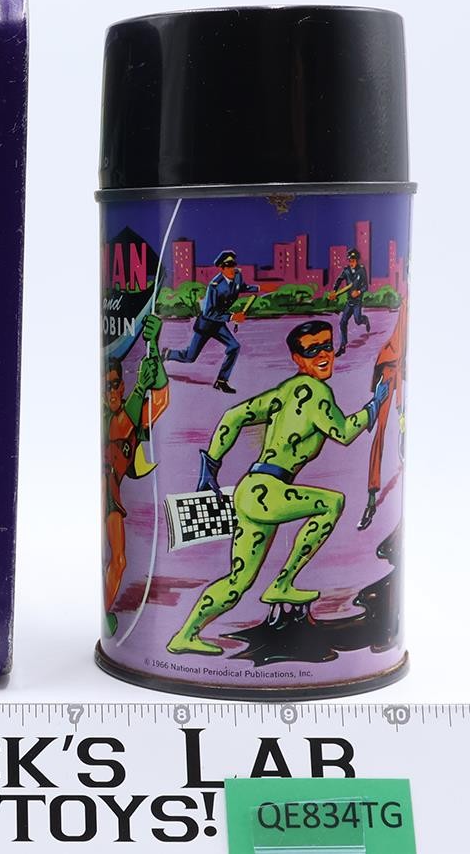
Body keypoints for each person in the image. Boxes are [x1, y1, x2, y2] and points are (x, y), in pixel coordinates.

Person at [166, 320, 389, 656]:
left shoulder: (285, 391)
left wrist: (210, 465)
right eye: (312, 350)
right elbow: (343, 432)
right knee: (331, 503)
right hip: (269, 491)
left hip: (252, 491)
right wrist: (373, 407)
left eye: (327, 346)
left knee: (238, 583)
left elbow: (233, 416)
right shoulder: (314, 391)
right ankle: (283, 582)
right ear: (297, 358)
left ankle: (184, 635)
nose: (323, 355)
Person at [102, 314, 170, 636]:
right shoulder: (110, 418)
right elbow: (120, 427)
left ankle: (109, 612)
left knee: (119, 561)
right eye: (107, 386)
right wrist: (141, 385)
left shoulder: (128, 415)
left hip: (114, 498)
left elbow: (161, 402)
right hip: (107, 495)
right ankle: (109, 615)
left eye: (117, 384)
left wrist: (154, 348)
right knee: (117, 559)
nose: (113, 392)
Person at [164, 250, 259, 393]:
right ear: (221, 268)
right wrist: (232, 317)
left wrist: (259, 288)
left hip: (219, 325)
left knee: (234, 347)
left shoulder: (237, 276)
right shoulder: (214, 286)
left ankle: (221, 381)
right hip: (206, 325)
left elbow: (242, 287)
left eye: (233, 264)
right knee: (189, 357)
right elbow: (208, 313)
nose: (232, 268)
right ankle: (167, 354)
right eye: (228, 265)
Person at [361, 296, 408, 529]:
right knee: (380, 432)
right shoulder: (405, 303)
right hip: (390, 368)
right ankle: (371, 497)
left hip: (400, 367)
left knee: (396, 429)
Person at [328, 248, 370, 355]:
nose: (351, 263)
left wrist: (359, 292)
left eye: (353, 261)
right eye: (350, 261)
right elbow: (339, 280)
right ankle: (343, 345)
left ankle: (365, 320)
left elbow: (366, 286)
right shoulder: (346, 271)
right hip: (349, 301)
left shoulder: (361, 270)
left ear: (357, 260)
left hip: (357, 302)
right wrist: (334, 291)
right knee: (343, 322)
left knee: (358, 320)